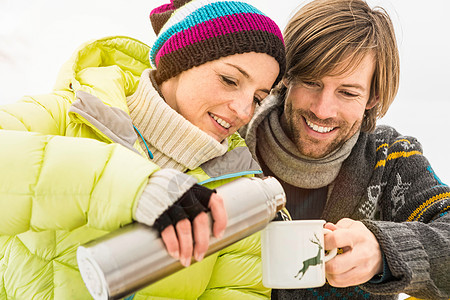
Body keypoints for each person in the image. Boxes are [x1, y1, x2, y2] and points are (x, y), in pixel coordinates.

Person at [0, 0, 286, 298]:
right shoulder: (70, 115)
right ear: (180, 63)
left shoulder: (239, 192)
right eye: (229, 80)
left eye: (257, 98)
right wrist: (133, 187)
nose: (243, 111)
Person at [240, 0, 450, 299]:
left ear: (372, 98)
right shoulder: (229, 142)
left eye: (347, 92)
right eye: (311, 82)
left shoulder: (389, 158)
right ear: (287, 76)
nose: (323, 109)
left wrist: (384, 250)